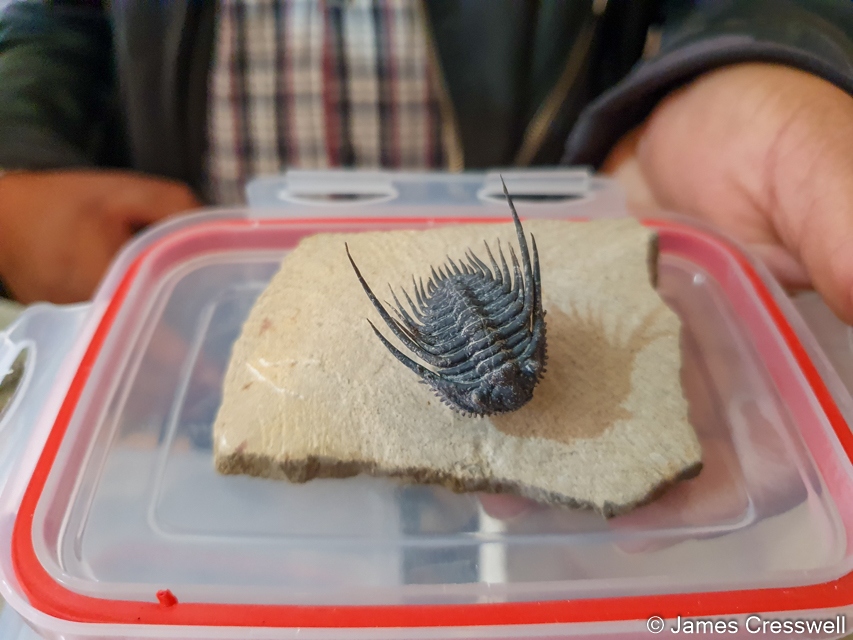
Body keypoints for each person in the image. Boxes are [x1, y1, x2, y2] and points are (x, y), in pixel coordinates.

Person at [0, 0, 852, 327]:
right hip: (212, 289)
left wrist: (751, 57)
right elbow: (53, 16)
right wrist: (18, 162)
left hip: (537, 236)